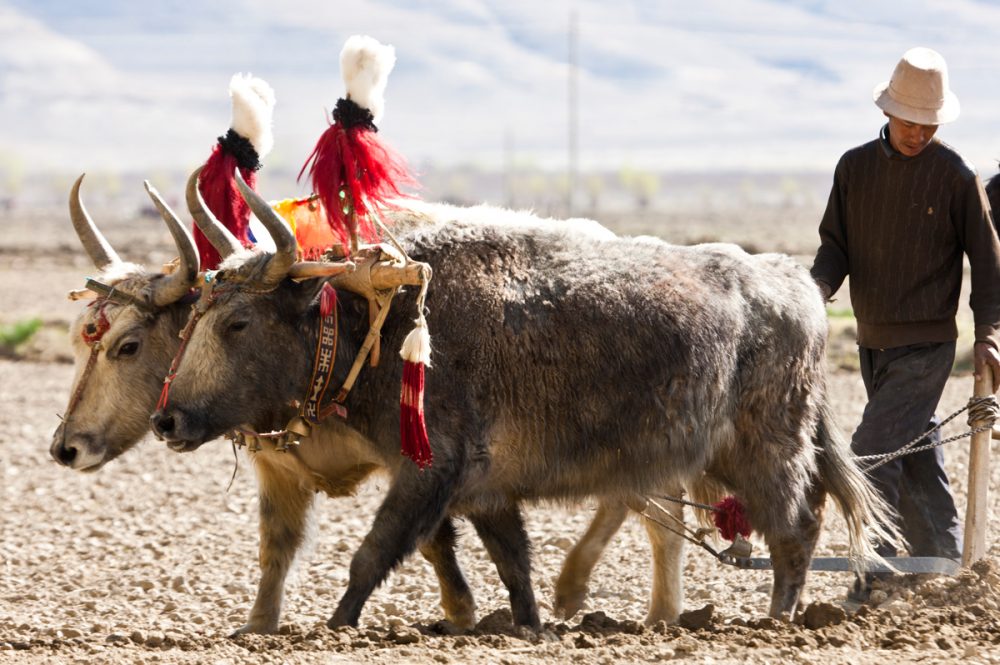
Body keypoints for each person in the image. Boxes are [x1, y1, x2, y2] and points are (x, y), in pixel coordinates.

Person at [810, 47, 1000, 600]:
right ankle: (944, 570)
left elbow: (988, 266)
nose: (918, 132)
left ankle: (877, 576)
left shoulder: (956, 177)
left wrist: (986, 336)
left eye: (929, 124)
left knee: (871, 452)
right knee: (914, 454)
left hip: (928, 344)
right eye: (909, 121)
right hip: (872, 341)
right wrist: (809, 298)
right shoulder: (854, 168)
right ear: (888, 112)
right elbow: (833, 250)